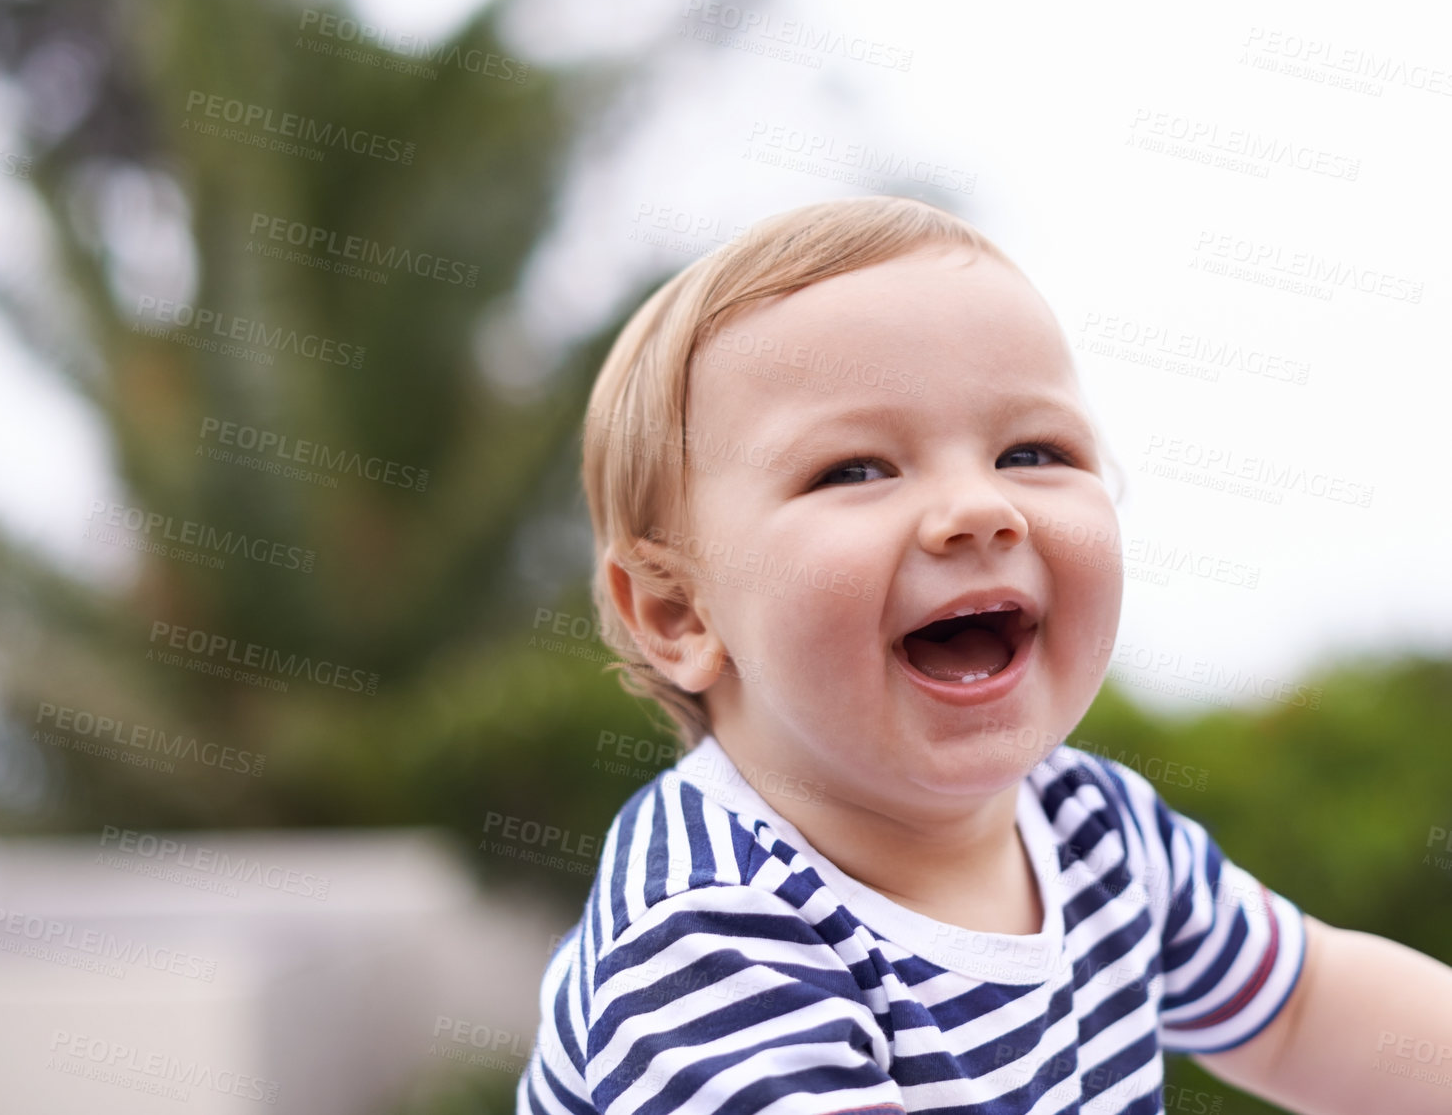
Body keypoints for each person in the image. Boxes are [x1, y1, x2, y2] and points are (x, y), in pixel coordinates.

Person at [516, 195, 1452, 1114]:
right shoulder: (711, 934)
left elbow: (1307, 1013)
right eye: (855, 469)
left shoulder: (1096, 827)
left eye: (1033, 452)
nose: (978, 509)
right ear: (681, 613)